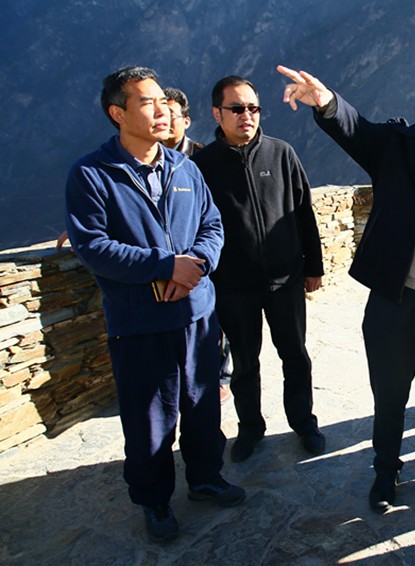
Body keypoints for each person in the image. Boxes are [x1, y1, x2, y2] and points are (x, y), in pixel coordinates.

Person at [277, 57, 415, 513]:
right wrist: (326, 102)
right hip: (394, 302)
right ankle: (385, 470)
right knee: (390, 395)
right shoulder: (396, 145)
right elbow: (355, 130)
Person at [64, 66, 245, 543]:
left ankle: (205, 477)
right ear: (117, 113)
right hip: (139, 321)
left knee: (203, 405)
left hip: (197, 315)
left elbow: (212, 226)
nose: (162, 109)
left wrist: (195, 267)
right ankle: (154, 499)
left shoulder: (186, 168)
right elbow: (93, 246)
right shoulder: (93, 174)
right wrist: (165, 266)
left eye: (164, 101)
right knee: (149, 419)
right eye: (147, 102)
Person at [192, 75, 326, 462]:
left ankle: (304, 423)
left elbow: (304, 213)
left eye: (253, 108)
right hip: (233, 285)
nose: (247, 115)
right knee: (244, 363)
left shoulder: (281, 154)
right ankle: (250, 428)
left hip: (285, 279)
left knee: (295, 355)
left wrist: (313, 267)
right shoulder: (202, 166)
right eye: (237, 108)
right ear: (217, 114)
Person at [162, 86, 233, 406]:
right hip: (171, 259)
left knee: (218, 319)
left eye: (171, 114)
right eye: (159, 112)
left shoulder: (204, 158)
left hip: (209, 254)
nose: (165, 120)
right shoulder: (143, 161)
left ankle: (220, 375)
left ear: (186, 120)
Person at [162, 87, 204, 155]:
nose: (163, 121)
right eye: (160, 116)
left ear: (186, 122)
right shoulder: (146, 153)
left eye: (170, 116)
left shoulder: (200, 155)